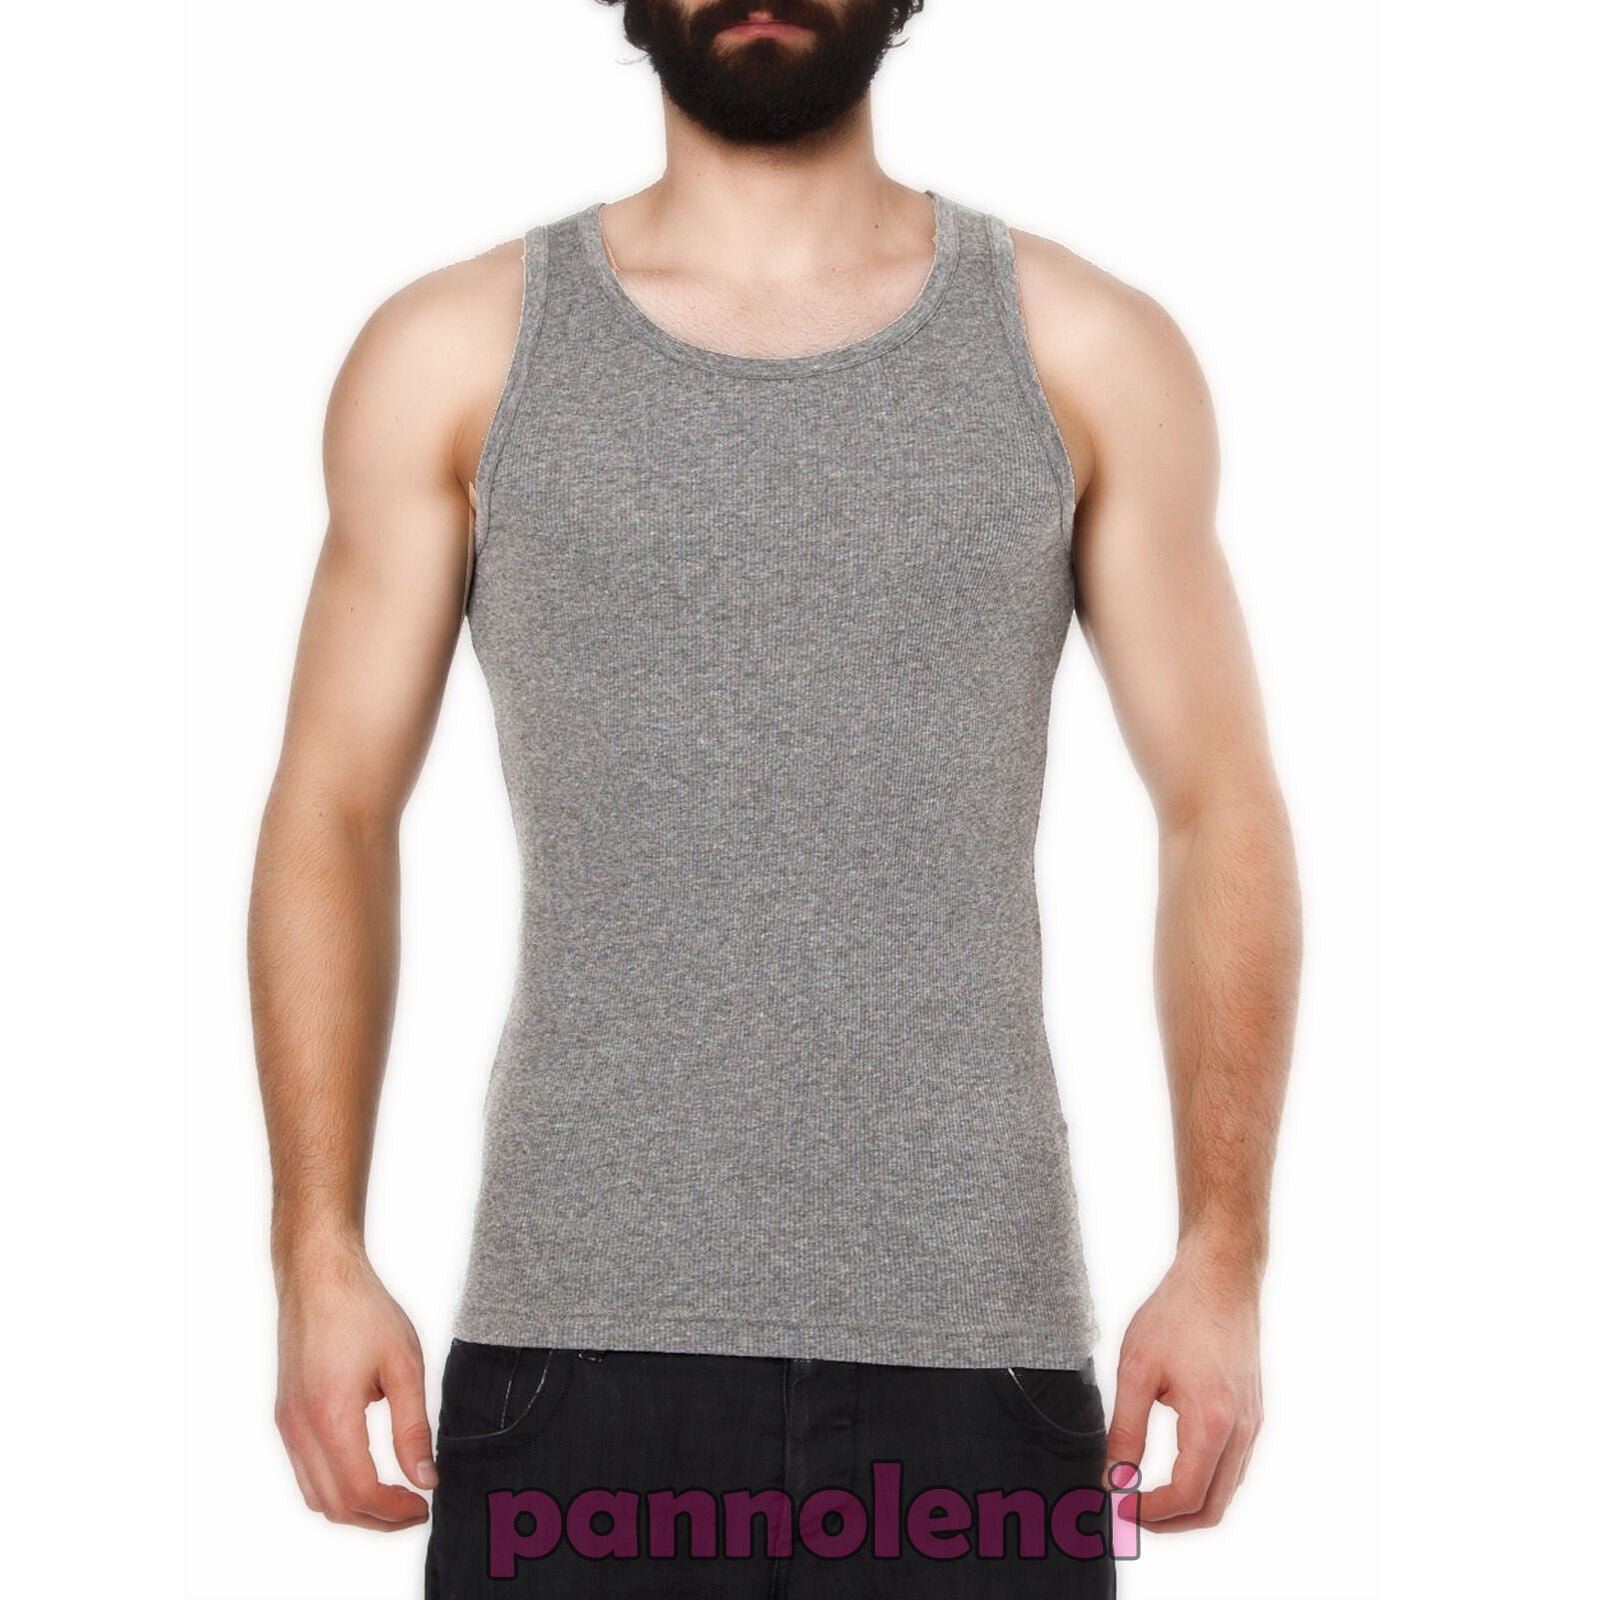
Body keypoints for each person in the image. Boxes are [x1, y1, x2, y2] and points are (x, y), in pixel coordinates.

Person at [247, 3, 1303, 1595]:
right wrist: (314, 1256)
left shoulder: (1083, 351)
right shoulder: (456, 354)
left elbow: (1220, 806)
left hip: (978, 1358)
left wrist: (1224, 1257)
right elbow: (332, 809)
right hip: (573, 1355)